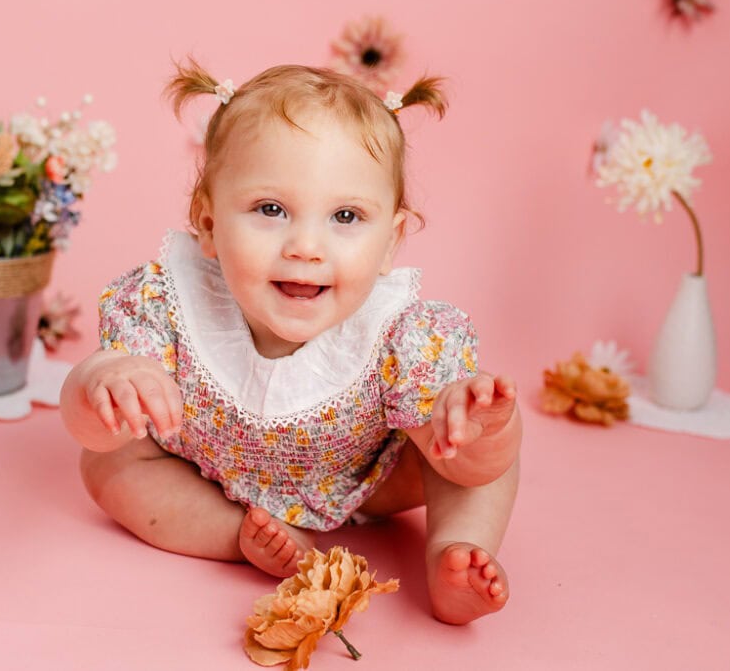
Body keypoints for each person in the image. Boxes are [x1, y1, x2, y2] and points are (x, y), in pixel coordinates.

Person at [59, 60, 522, 625]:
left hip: (365, 480)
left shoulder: (404, 336)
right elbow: (88, 421)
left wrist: (474, 433)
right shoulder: (167, 303)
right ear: (207, 224)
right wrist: (104, 384)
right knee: (108, 464)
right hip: (203, 469)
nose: (306, 246)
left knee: (469, 456)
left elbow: (464, 463)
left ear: (390, 242)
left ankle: (455, 549)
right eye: (270, 210)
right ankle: (238, 535)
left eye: (346, 216)